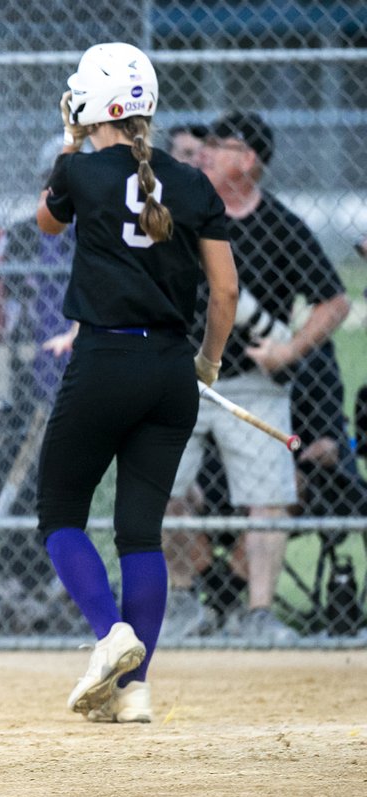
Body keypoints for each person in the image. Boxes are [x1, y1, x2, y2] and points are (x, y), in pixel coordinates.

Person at [36, 43, 238, 723]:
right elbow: (225, 290)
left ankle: (110, 633)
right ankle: (134, 691)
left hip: (105, 359)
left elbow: (45, 221)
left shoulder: (80, 170)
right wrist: (207, 362)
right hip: (171, 368)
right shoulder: (192, 181)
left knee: (61, 513)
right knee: (141, 533)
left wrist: (71, 146)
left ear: (95, 104)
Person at [163, 111, 350, 643]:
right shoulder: (178, 215)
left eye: (218, 145)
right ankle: (183, 599)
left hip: (252, 382)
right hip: (179, 376)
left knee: (269, 494)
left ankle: (259, 613)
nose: (203, 152)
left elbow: (334, 302)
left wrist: (290, 348)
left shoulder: (281, 226)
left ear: (247, 161)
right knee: (159, 488)